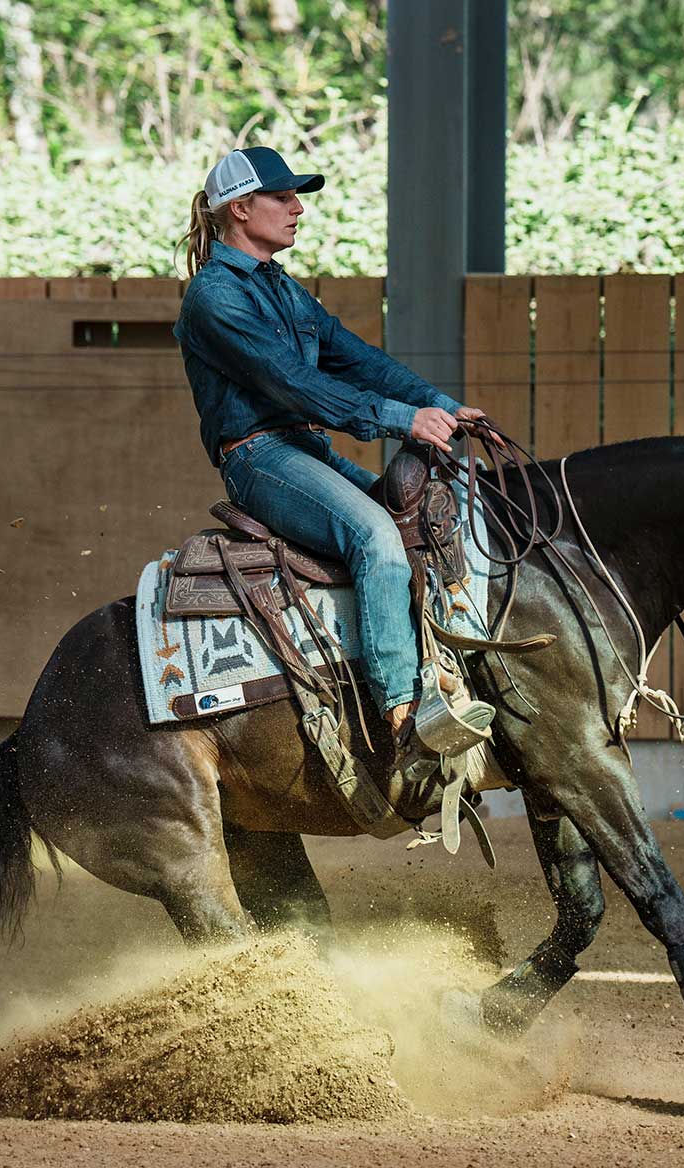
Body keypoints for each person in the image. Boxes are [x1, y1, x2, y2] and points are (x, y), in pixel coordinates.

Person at [173, 145, 487, 778]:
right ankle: (403, 720)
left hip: (301, 450)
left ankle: (438, 671)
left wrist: (437, 404)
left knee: (418, 525)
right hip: (259, 456)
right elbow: (293, 385)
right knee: (375, 535)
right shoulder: (214, 299)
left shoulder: (280, 289)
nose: (297, 209)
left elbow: (357, 358)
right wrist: (403, 420)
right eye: (284, 197)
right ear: (241, 209)